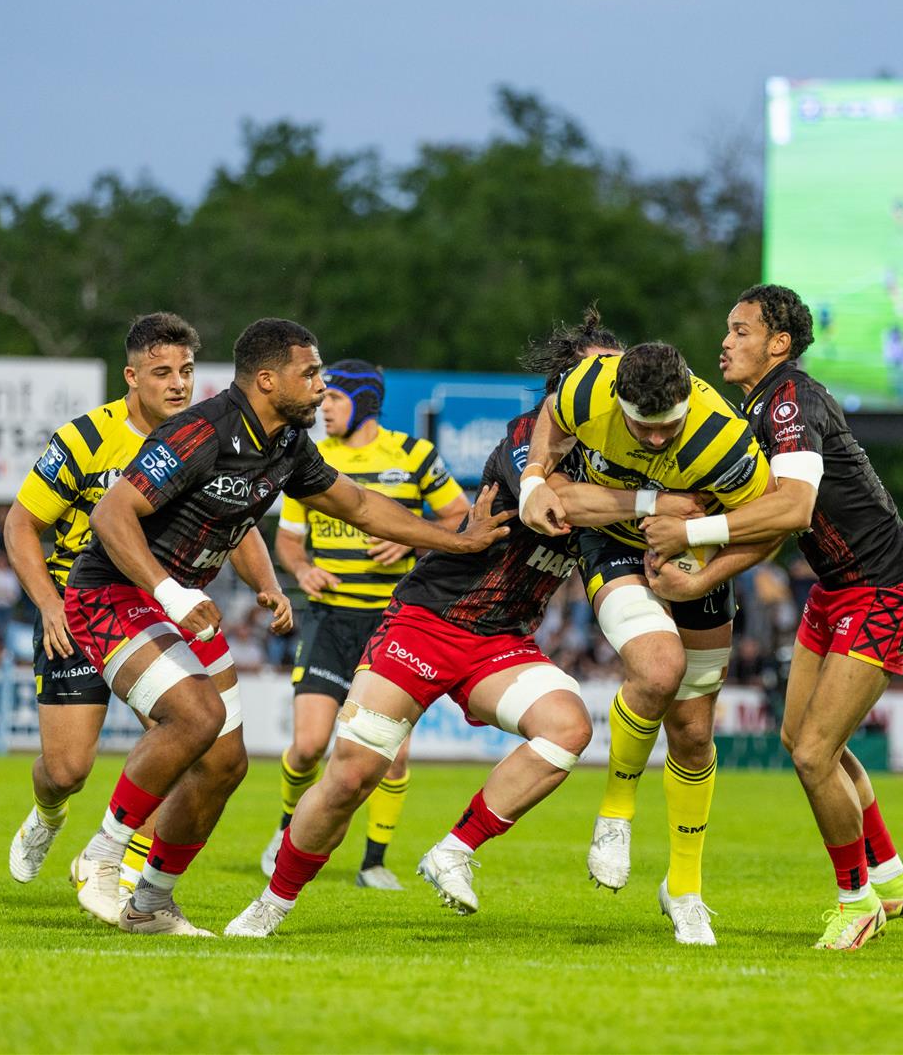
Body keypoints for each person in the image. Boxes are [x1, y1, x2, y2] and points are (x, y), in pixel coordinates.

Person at [225, 318, 702, 937]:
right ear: (565, 380)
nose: (609, 383)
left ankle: (452, 851)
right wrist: (661, 506)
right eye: (596, 369)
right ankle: (273, 903)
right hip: (429, 622)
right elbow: (557, 503)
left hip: (502, 643)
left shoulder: (626, 458)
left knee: (568, 727)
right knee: (349, 775)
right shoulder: (531, 435)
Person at [62, 317, 504, 937]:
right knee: (195, 717)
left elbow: (357, 505)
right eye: (312, 373)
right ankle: (104, 857)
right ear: (268, 380)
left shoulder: (287, 444)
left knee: (225, 767)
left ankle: (150, 904)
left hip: (179, 606)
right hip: (113, 593)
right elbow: (111, 514)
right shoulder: (202, 430)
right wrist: (169, 589)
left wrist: (455, 541)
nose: (322, 387)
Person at [642, 284, 903, 951]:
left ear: (778, 343)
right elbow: (772, 529)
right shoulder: (757, 408)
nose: (725, 341)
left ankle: (856, 901)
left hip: (885, 587)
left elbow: (793, 510)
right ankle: (890, 877)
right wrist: (705, 579)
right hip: (836, 591)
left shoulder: (791, 400)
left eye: (741, 330)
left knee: (812, 753)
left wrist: (691, 539)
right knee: (801, 741)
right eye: (728, 328)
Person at [520, 334, 772, 946]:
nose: (657, 439)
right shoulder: (588, 389)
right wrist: (534, 476)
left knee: (692, 732)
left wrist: (701, 577)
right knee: (658, 669)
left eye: (668, 427)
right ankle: (615, 812)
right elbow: (553, 414)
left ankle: (684, 888)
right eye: (642, 428)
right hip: (614, 547)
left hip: (699, 559)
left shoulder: (727, 439)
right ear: (618, 400)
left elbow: (769, 526)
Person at [4, 313, 201, 899]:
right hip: (78, 612)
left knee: (187, 738)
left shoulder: (201, 441)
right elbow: (20, 526)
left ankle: (116, 859)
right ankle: (47, 812)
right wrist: (48, 604)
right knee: (67, 771)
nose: (177, 385)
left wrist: (267, 585)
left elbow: (235, 528)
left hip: (150, 614)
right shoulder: (85, 439)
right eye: (162, 372)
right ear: (131, 376)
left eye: (186, 372)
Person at [260, 359, 469, 891]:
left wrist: (410, 534)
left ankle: (373, 861)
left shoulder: (414, 456)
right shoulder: (311, 457)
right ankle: (288, 834)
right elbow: (287, 538)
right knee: (308, 746)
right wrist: (303, 568)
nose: (322, 407)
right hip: (329, 621)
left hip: (394, 624)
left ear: (364, 404)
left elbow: (458, 518)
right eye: (321, 398)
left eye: (333, 399)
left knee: (391, 754)